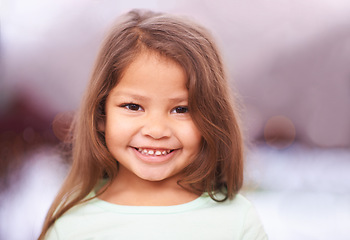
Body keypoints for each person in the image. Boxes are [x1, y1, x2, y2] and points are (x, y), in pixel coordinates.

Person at [39, 9, 268, 240]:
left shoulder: (236, 221)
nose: (156, 130)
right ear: (101, 115)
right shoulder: (71, 226)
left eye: (181, 109)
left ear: (212, 118)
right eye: (133, 106)